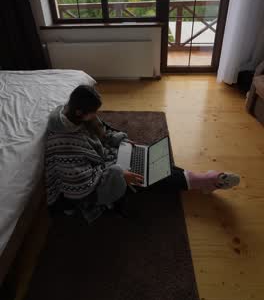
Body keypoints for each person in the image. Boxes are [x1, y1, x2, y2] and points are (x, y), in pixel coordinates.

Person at [45, 84, 240, 222]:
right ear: (79, 112)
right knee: (148, 175)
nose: (96, 116)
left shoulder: (77, 115)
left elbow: (104, 134)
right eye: (92, 113)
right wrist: (119, 173)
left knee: (150, 161)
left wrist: (121, 142)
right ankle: (205, 180)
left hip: (107, 162)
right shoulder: (64, 141)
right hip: (94, 188)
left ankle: (203, 180)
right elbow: (78, 187)